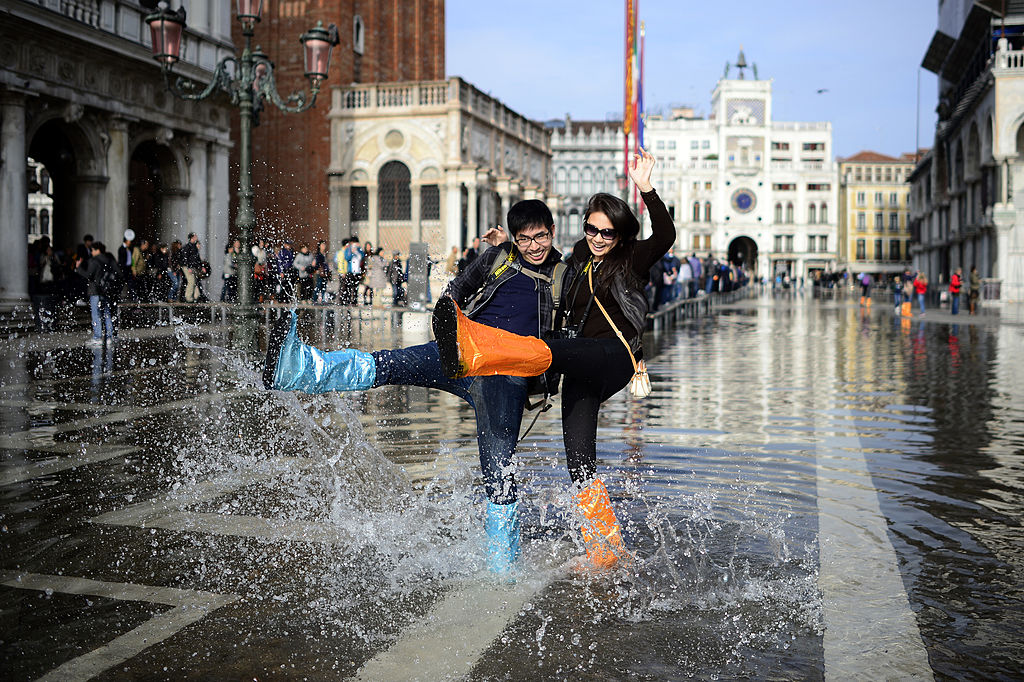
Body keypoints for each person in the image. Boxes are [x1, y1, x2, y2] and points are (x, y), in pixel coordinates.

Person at [263, 199, 566, 574]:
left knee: (498, 468)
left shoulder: (563, 275)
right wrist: (448, 327)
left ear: (553, 233)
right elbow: (455, 291)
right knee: (391, 363)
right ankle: (302, 369)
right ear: (515, 239)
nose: (535, 246)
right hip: (459, 355)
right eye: (525, 239)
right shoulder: (497, 259)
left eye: (541, 237)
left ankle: (501, 567)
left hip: (508, 378)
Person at [432, 148, 673, 569]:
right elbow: (539, 253)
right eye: (593, 230)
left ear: (620, 235)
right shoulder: (578, 258)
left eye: (608, 233)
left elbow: (666, 236)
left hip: (613, 356)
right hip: (580, 366)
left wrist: (646, 188)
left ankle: (475, 346)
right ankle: (606, 549)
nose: (599, 239)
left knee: (548, 351)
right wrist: (506, 248)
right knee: (579, 462)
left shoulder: (631, 259)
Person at [76, 241, 119, 344]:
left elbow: (88, 275)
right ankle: (109, 336)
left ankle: (97, 337)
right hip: (106, 290)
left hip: (95, 291)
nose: (91, 252)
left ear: (97, 250)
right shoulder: (109, 259)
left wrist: (79, 267)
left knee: (96, 314)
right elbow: (118, 273)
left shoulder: (94, 261)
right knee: (107, 313)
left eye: (92, 250)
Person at [180, 232, 203, 303]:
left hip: (192, 266)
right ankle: (189, 297)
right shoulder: (187, 247)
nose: (196, 237)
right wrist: (189, 267)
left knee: (194, 281)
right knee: (191, 281)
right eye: (195, 236)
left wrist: (201, 266)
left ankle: (195, 296)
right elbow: (185, 258)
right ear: (192, 238)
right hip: (188, 267)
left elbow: (196, 258)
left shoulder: (193, 246)